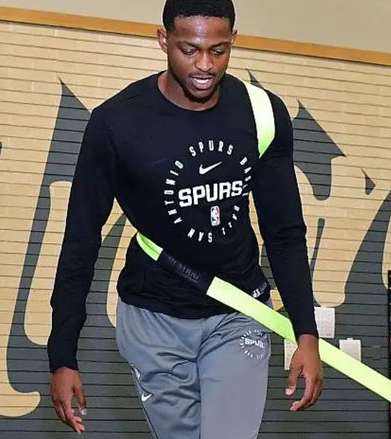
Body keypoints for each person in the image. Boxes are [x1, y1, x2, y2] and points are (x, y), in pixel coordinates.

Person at [46, 0, 323, 437]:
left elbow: (284, 232)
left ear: (234, 40)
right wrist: (62, 355)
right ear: (164, 40)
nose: (205, 65)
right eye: (189, 50)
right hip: (152, 318)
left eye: (218, 50)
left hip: (238, 311)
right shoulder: (117, 123)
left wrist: (305, 332)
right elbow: (81, 239)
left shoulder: (262, 114)